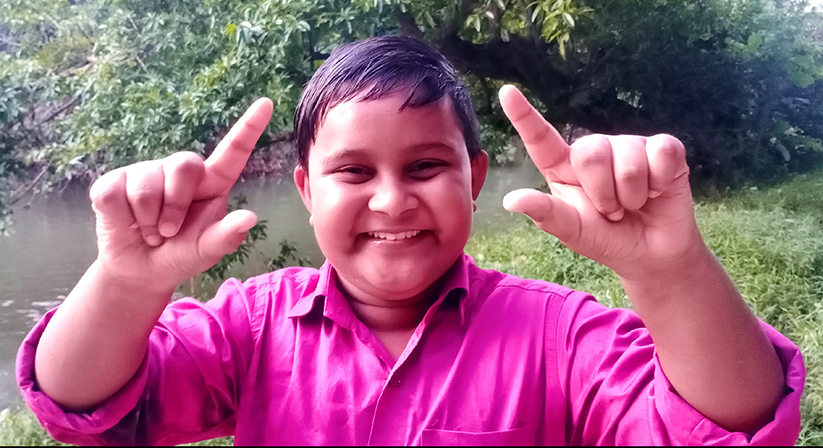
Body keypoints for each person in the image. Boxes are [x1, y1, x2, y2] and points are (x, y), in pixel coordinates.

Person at [17, 36, 803, 445]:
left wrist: (671, 270)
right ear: (306, 191)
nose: (392, 199)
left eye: (426, 165)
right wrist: (125, 281)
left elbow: (729, 428)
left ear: (474, 175)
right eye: (352, 171)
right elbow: (82, 404)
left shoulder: (557, 337)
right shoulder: (248, 327)